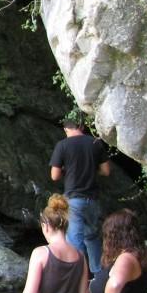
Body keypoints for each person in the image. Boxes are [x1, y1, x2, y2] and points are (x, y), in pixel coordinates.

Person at [50, 112, 110, 276]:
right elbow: (106, 171)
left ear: (65, 129)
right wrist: (91, 168)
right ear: (82, 127)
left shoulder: (62, 146)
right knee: (91, 236)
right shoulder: (95, 143)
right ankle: (97, 274)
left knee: (74, 239)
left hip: (73, 199)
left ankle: (78, 277)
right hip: (92, 198)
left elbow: (54, 176)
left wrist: (67, 170)